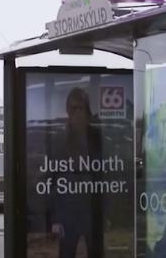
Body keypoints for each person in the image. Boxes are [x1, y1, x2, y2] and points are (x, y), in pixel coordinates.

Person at [50, 87, 104, 258]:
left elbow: (105, 175)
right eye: (74, 108)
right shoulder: (59, 139)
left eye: (81, 108)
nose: (78, 113)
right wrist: (55, 219)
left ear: (87, 110)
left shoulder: (98, 137)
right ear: (68, 111)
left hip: (92, 213)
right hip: (68, 216)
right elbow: (52, 181)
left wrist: (107, 213)